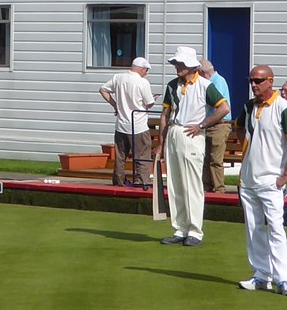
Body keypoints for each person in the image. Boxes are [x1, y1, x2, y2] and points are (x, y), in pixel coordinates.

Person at [236, 65, 287, 295]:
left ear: (270, 81)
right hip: (248, 180)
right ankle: (261, 274)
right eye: (251, 80)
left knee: (276, 227)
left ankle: (284, 279)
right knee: (253, 229)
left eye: (258, 80)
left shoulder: (283, 108)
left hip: (271, 180)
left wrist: (285, 175)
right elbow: (238, 129)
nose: (254, 84)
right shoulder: (248, 106)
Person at [159, 46, 227, 245]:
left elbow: (224, 108)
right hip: (174, 132)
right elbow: (165, 115)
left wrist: (202, 125)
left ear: (190, 66)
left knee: (193, 185)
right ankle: (180, 228)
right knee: (175, 183)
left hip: (192, 134)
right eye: (176, 63)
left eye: (180, 64)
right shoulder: (172, 85)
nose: (177, 67)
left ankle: (195, 231)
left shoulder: (206, 86)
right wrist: (160, 142)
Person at [99, 57, 157, 186]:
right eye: (146, 70)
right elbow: (149, 103)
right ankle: (141, 183)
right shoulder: (143, 82)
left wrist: (115, 105)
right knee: (142, 157)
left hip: (121, 125)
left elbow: (103, 90)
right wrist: (154, 99)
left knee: (120, 157)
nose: (147, 73)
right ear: (141, 69)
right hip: (138, 126)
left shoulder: (118, 78)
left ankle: (118, 182)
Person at [198, 58, 233, 192]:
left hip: (219, 125)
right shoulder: (211, 81)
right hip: (210, 125)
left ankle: (219, 189)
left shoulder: (217, 82)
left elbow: (215, 104)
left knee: (215, 159)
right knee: (206, 159)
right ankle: (206, 186)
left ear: (202, 72)